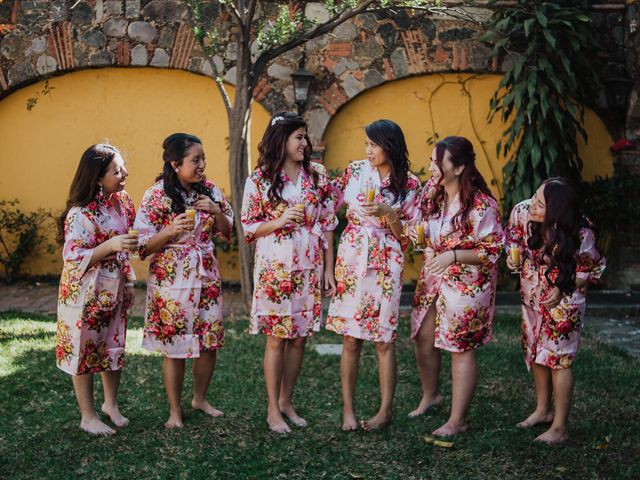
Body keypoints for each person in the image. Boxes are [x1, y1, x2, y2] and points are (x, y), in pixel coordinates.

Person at [241, 112, 337, 433]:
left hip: (309, 267)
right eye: (298, 137)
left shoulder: (317, 176)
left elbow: (327, 223)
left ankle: (286, 401)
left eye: (305, 137)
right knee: (277, 340)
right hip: (275, 268)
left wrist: (328, 268)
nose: (305, 143)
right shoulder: (259, 180)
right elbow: (249, 228)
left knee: (299, 339)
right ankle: (272, 409)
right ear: (281, 140)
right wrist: (280, 221)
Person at [326, 119, 421, 431]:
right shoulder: (354, 171)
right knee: (351, 340)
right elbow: (328, 209)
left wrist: (388, 213)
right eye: (365, 144)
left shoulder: (409, 184)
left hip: (386, 264)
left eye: (373, 145)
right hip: (353, 260)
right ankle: (348, 411)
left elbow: (407, 235)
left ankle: (384, 411)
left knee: (383, 341)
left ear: (389, 146)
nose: (367, 150)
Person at [134, 133, 233, 429]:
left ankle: (199, 398)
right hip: (171, 280)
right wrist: (169, 231)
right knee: (175, 346)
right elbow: (140, 248)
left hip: (205, 276)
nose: (203, 164)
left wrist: (216, 212)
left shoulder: (210, 190)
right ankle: (174, 410)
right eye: (195, 160)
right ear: (175, 163)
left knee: (209, 343)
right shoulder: (155, 195)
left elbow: (228, 232)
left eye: (203, 158)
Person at [409, 136, 503, 436]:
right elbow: (419, 224)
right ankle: (431, 395)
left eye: (438, 162)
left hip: (468, 284)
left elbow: (491, 251)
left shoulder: (481, 205)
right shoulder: (432, 194)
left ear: (459, 167)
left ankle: (457, 420)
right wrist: (416, 234)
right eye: (431, 160)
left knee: (460, 348)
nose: (431, 167)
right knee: (424, 337)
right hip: (433, 277)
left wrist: (452, 255)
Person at [506, 177, 605, 443]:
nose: (532, 206)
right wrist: (511, 255)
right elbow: (513, 240)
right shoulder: (522, 212)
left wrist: (561, 287)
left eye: (541, 204)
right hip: (533, 293)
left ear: (558, 213)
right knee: (537, 349)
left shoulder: (582, 231)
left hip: (566, 297)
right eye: (535, 197)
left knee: (559, 358)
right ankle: (542, 410)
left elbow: (592, 268)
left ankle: (560, 427)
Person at [56, 144, 137, 435]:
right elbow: (73, 257)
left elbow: (129, 242)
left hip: (114, 286)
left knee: (112, 345)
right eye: (116, 171)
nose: (124, 173)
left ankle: (110, 405)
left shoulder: (123, 201)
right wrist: (110, 246)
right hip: (84, 291)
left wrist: (128, 280)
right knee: (84, 349)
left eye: (123, 166)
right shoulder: (79, 214)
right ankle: (88, 416)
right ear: (97, 178)